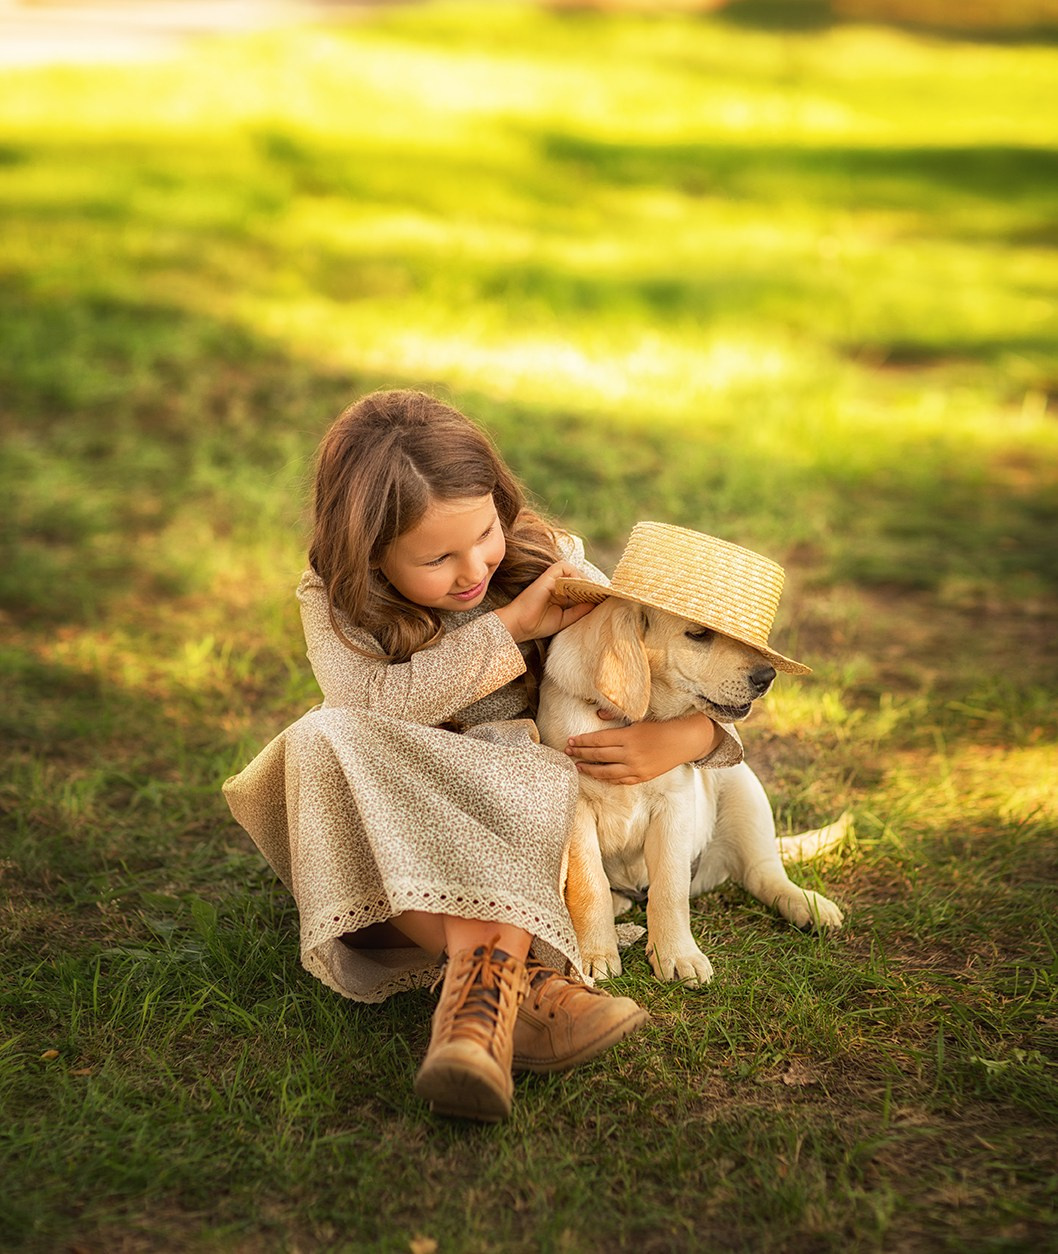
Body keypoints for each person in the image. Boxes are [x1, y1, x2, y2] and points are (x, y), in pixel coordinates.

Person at [223, 389, 740, 1123]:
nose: (473, 568)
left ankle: (479, 1011)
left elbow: (670, 665)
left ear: (500, 502)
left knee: (526, 761)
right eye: (437, 557)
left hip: (521, 832)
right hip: (394, 862)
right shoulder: (332, 596)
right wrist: (513, 625)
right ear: (366, 555)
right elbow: (370, 708)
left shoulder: (547, 556)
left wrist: (698, 737)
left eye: (485, 534)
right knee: (320, 736)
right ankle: (517, 991)